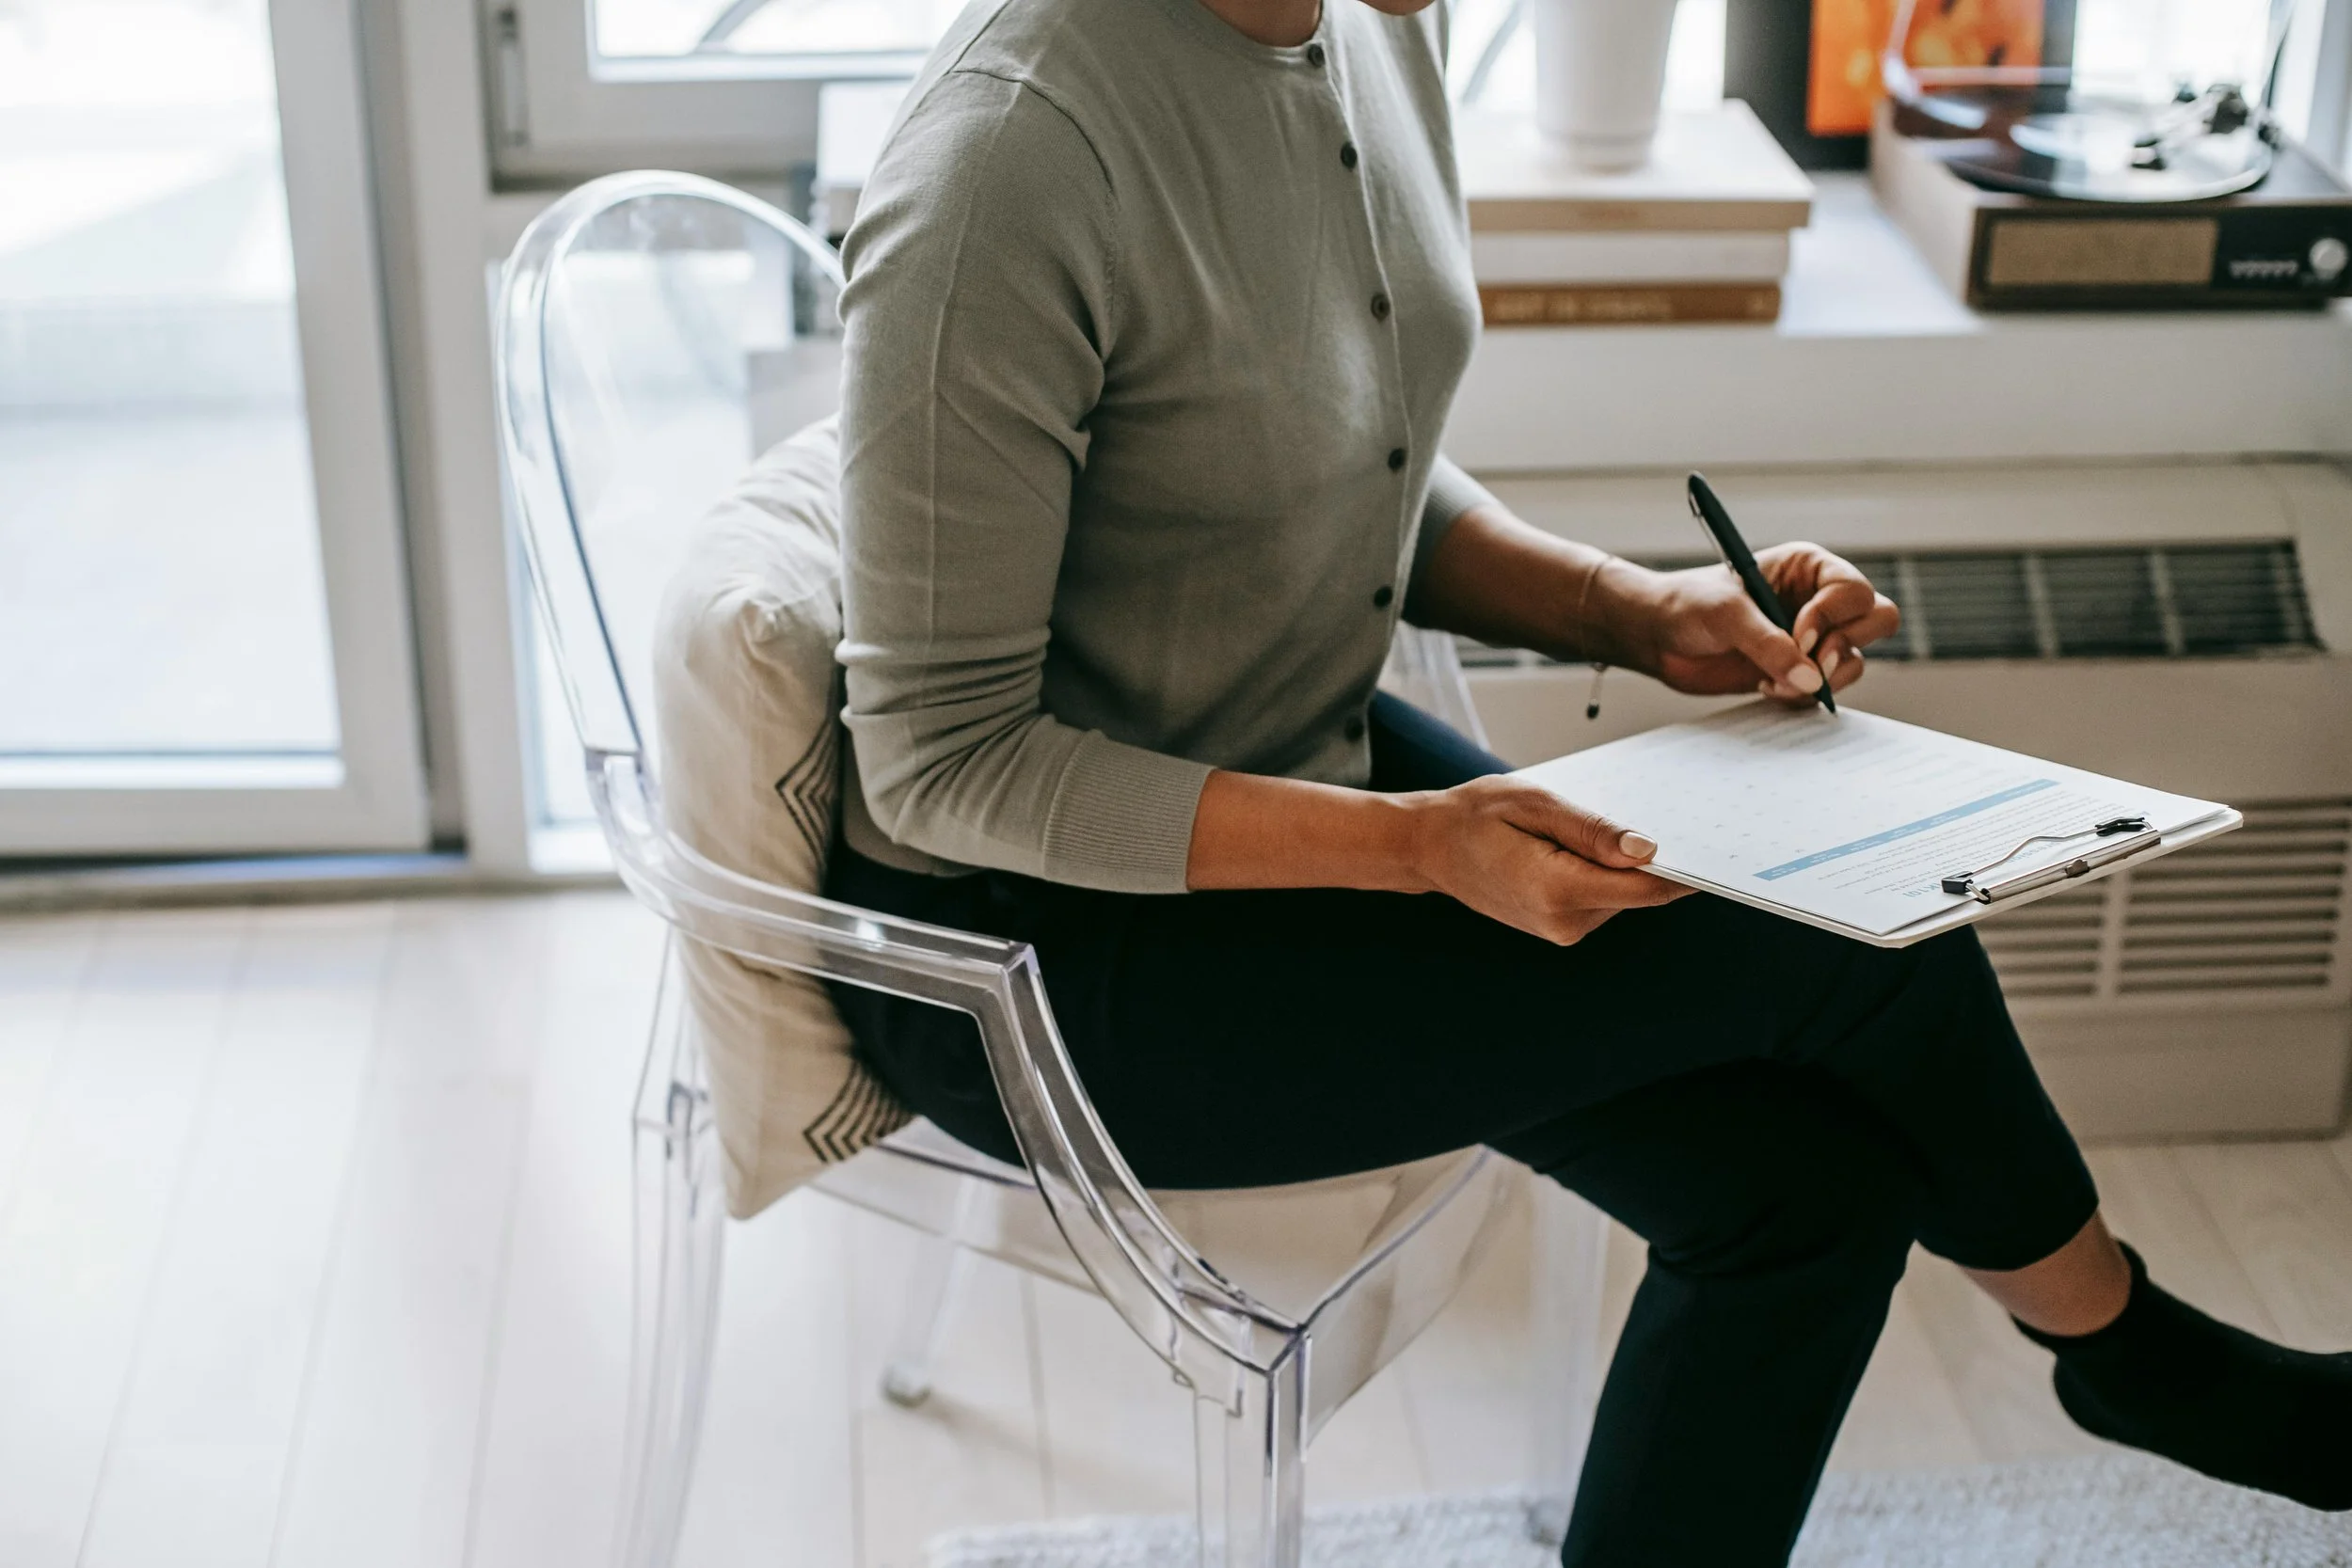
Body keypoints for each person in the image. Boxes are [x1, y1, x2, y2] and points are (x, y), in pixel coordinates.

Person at [819, 0, 2352, 1557]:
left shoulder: (1362, 25)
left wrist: (1639, 609)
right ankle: (2143, 1361)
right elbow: (945, 762)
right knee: (1872, 953)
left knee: (1805, 1199)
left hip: (1294, 755)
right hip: (1031, 956)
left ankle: (2132, 1361)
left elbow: (1331, 459)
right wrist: (1421, 847)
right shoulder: (1007, 163)